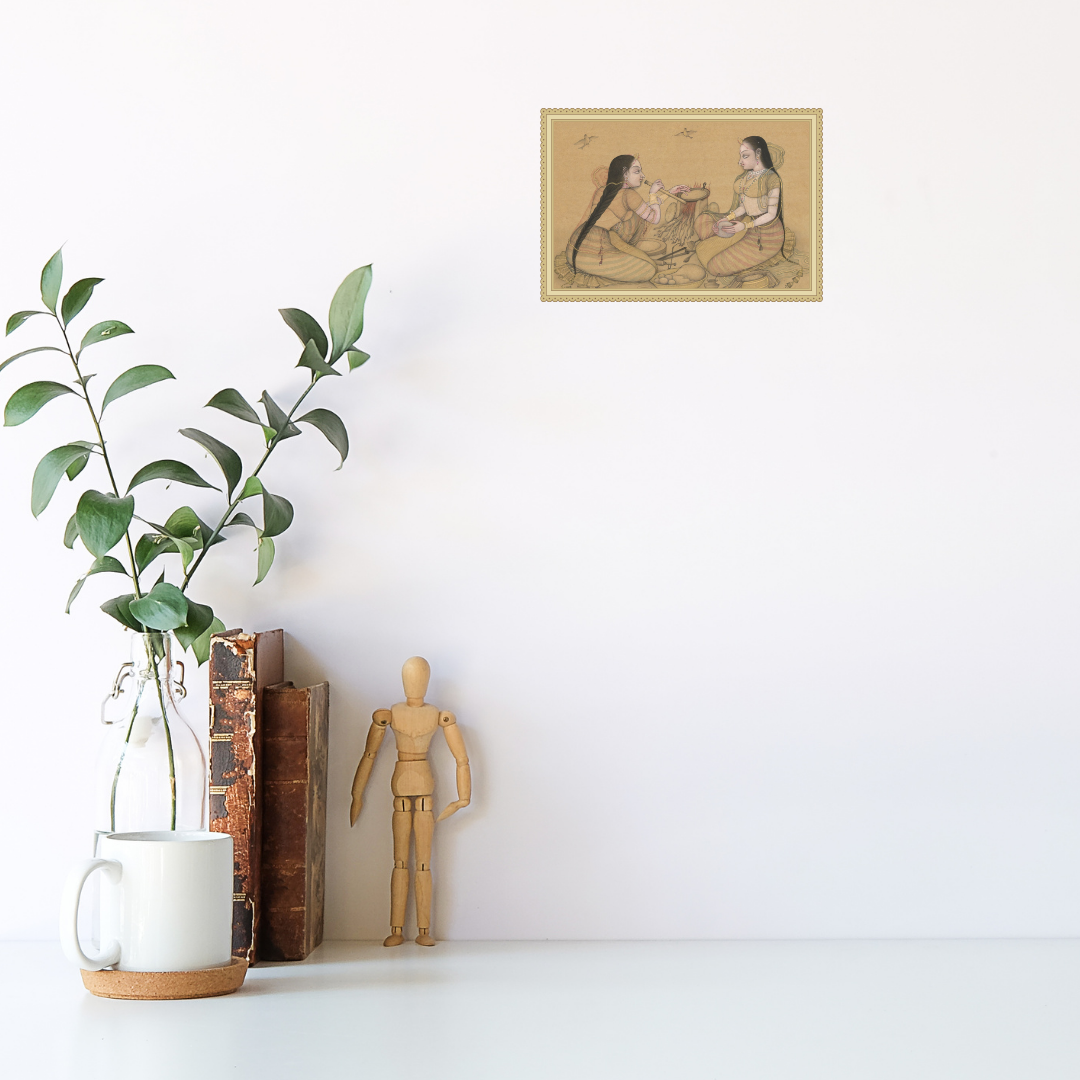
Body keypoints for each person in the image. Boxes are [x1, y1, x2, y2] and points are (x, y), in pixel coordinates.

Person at [558, 155, 687, 286]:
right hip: (595, 253)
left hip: (574, 250)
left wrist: (669, 193)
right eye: (637, 171)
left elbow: (642, 210)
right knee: (649, 269)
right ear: (624, 174)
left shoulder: (604, 190)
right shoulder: (629, 194)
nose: (642, 176)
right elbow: (654, 218)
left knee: (636, 220)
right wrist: (652, 194)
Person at [695, 136, 785, 280]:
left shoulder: (771, 178)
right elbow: (744, 207)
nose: (740, 161)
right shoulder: (747, 177)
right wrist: (727, 218)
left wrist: (744, 226)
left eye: (745, 156)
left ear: (758, 154)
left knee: (715, 266)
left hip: (767, 235)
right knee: (702, 250)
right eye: (741, 156)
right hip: (748, 226)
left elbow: (771, 214)